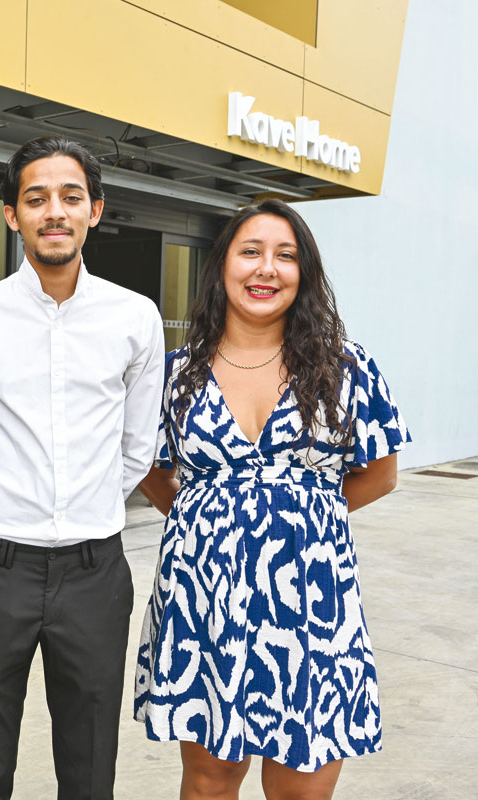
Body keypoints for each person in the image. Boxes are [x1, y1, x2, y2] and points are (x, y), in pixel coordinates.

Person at [134, 198, 410, 799]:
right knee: (209, 782)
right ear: (222, 266)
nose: (266, 268)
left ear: (304, 273)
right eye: (251, 252)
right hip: (205, 601)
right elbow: (148, 470)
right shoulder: (174, 374)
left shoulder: (347, 368)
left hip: (312, 604)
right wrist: (206, 513)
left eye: (285, 255)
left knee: (301, 788)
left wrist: (302, 514)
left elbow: (381, 474)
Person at [0, 135, 165, 799]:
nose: (54, 211)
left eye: (71, 197)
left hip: (95, 573)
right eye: (36, 199)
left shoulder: (135, 317)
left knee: (89, 769)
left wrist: (88, 506)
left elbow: (136, 447)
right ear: (13, 215)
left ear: (96, 210)